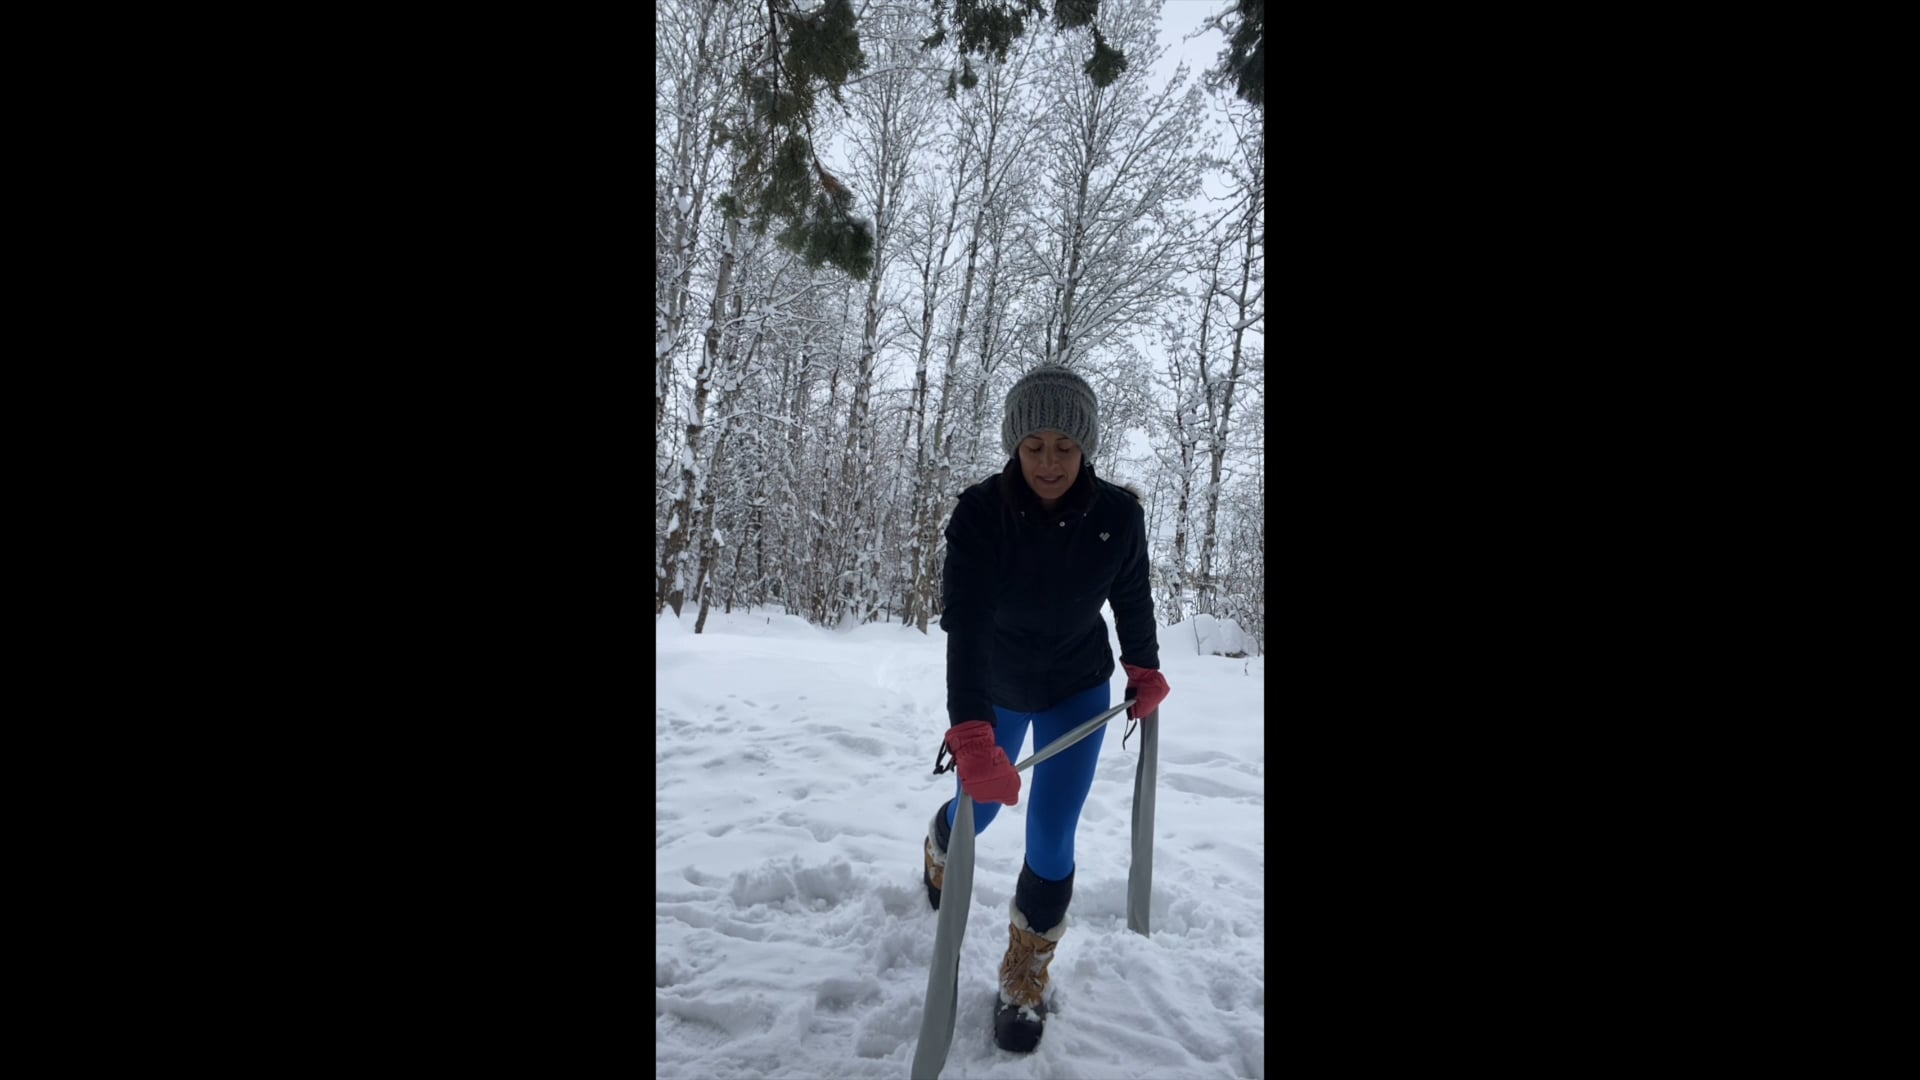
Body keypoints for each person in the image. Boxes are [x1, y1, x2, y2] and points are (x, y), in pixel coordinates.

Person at [921, 362, 1171, 1053]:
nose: (1050, 462)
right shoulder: (980, 514)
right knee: (989, 806)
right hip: (996, 684)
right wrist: (971, 732)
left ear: (1086, 445)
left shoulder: (1118, 516)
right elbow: (964, 623)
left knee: (1052, 830)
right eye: (1034, 447)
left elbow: (1132, 596)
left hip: (1076, 688)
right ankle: (943, 842)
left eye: (1064, 446)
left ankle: (1024, 977)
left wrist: (1143, 664)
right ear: (1014, 445)